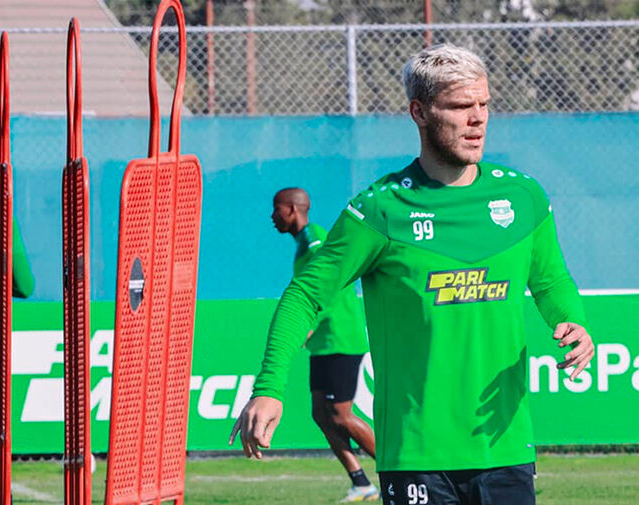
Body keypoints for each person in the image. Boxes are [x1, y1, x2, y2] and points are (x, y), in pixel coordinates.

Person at [230, 44, 594, 505]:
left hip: (505, 449)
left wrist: (572, 320)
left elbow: (551, 281)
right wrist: (269, 388)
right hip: (416, 457)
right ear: (419, 112)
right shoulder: (381, 210)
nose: (477, 119)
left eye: (483, 104)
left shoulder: (523, 198)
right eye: (460, 106)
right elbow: (304, 295)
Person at [270, 187, 379, 502]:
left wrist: (308, 325)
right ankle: (361, 483)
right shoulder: (302, 243)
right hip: (324, 345)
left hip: (340, 339)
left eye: (277, 208)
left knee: (341, 415)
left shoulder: (315, 237)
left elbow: (328, 288)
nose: (272, 216)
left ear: (293, 209)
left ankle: (398, 469)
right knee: (321, 413)